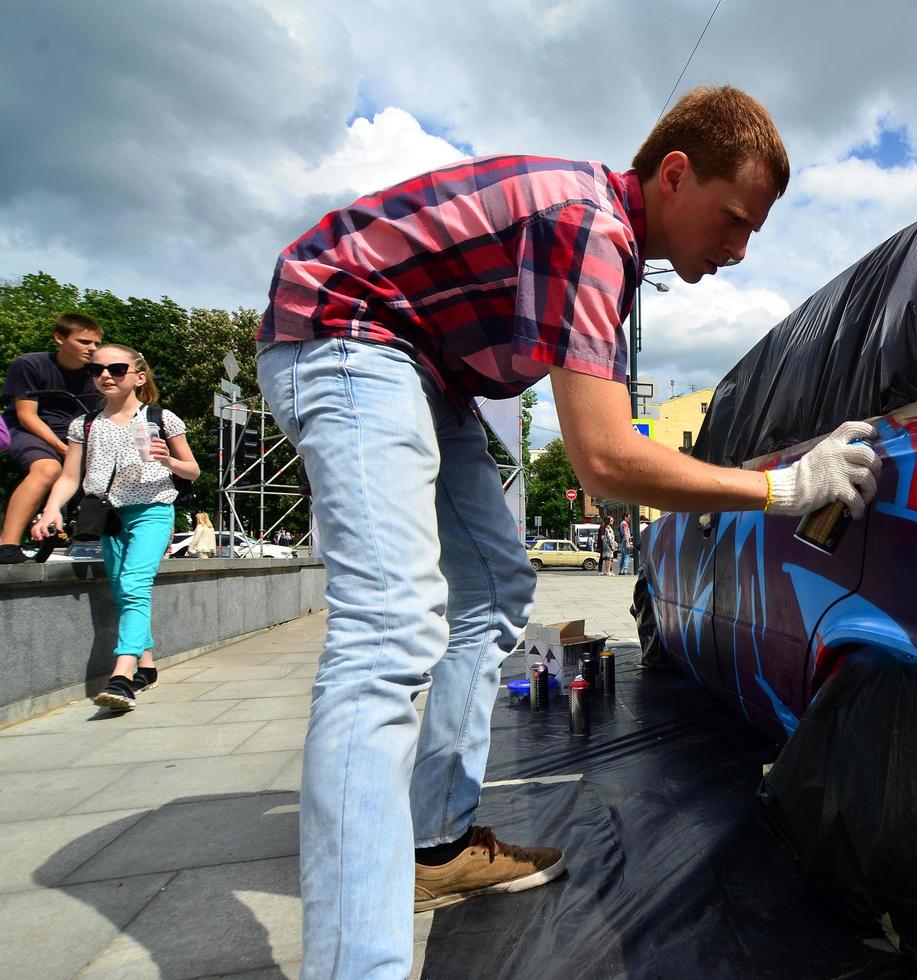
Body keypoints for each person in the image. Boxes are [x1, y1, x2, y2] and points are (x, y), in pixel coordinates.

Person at [255, 84, 879, 978]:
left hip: (426, 367)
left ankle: (432, 846)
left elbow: (616, 448)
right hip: (343, 330)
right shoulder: (590, 227)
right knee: (389, 624)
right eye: (735, 220)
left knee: (496, 590)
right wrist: (786, 486)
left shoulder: (611, 258)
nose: (740, 251)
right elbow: (607, 461)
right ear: (674, 175)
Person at [31, 344, 200, 710]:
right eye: (97, 370)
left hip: (153, 508)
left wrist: (168, 459)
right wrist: (50, 509)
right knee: (123, 588)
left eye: (116, 369)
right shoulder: (86, 425)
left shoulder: (160, 418)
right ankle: (147, 666)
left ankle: (121, 677)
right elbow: (70, 476)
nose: (105, 375)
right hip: (105, 514)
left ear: (139, 377)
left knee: (136, 584)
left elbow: (193, 470)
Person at [1, 314, 103, 562]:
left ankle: (93, 538)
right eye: (84, 342)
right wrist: (62, 448)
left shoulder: (99, 374)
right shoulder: (30, 364)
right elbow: (27, 415)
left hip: (74, 435)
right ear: (59, 338)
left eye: (97, 344)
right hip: (30, 430)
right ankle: (7, 545)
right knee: (47, 468)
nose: (92, 349)